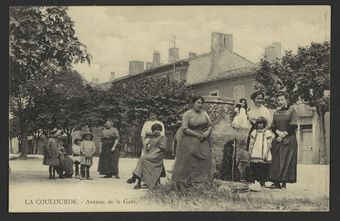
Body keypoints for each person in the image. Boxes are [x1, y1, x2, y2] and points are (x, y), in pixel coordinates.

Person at [171, 96, 213, 186]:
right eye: (198, 103)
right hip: (190, 136)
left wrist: (207, 132)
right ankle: (188, 180)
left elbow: (210, 125)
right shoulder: (187, 114)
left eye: (202, 103)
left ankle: (201, 180)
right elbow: (185, 128)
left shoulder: (204, 114)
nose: (200, 105)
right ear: (193, 103)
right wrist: (197, 135)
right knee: (191, 154)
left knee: (206, 156)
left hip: (203, 137)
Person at [270, 92, 298, 189]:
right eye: (278, 100)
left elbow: (293, 125)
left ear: (286, 100)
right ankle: (276, 182)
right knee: (277, 160)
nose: (280, 102)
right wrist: (278, 133)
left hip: (289, 138)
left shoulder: (291, 111)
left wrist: (283, 135)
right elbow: (273, 126)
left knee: (286, 160)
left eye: (282, 99)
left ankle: (284, 183)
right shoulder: (276, 113)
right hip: (278, 138)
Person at [129, 123, 167, 189]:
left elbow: (160, 149)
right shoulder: (151, 138)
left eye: (158, 130)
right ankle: (137, 181)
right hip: (151, 155)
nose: (156, 131)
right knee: (142, 160)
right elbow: (148, 149)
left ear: (160, 130)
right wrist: (147, 146)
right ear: (152, 131)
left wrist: (150, 155)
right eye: (154, 130)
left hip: (157, 155)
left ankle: (134, 176)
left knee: (143, 159)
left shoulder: (163, 138)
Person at [248, 117, 274, 187]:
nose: (260, 125)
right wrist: (250, 151)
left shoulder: (267, 132)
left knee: (264, 167)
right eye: (258, 123)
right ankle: (256, 180)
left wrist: (267, 152)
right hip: (256, 151)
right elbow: (251, 143)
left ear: (264, 124)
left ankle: (263, 181)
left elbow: (269, 144)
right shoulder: (254, 132)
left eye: (261, 123)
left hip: (264, 151)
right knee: (255, 166)